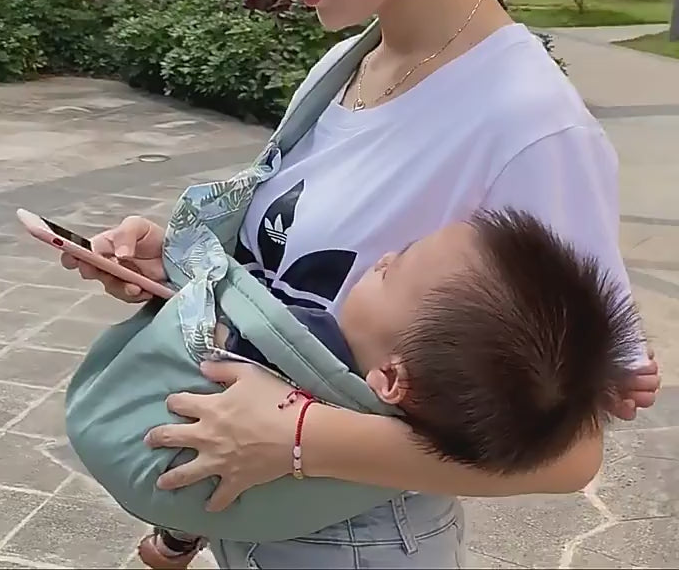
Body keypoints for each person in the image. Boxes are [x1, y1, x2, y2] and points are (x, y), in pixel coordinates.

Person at [61, 0, 661, 566]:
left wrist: (299, 437)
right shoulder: (347, 67)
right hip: (261, 516)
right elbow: (304, 289)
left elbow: (570, 455)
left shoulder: (531, 128)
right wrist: (178, 268)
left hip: (359, 539)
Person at [134, 208, 640, 568]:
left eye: (391, 270)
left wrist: (185, 284)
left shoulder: (303, 346)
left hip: (342, 549)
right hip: (404, 532)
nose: (380, 258)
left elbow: (208, 374)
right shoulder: (420, 396)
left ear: (392, 379)